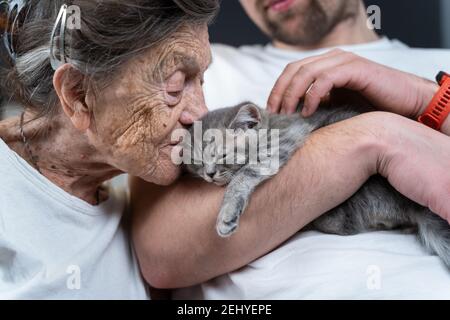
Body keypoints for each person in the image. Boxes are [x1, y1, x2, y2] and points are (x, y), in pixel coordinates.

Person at [132, 0, 450, 299]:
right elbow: (163, 256)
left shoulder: (442, 70)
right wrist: (374, 138)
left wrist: (426, 100)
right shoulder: (196, 70)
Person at [0, 0, 219, 299]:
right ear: (79, 95)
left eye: (201, 80)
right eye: (174, 87)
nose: (201, 113)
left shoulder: (147, 204)